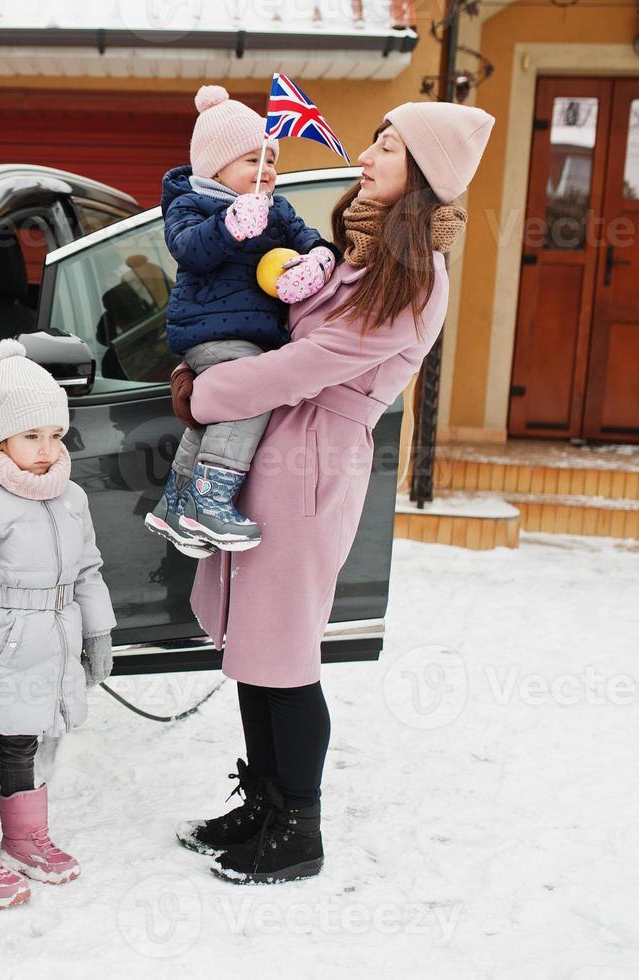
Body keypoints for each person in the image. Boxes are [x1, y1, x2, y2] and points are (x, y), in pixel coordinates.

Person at [171, 102, 494, 884]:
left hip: (309, 459)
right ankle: (262, 800)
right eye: (377, 139)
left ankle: (298, 829)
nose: (372, 153)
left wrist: (206, 392)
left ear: (422, 174)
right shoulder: (356, 252)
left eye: (390, 145)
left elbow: (303, 365)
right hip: (271, 443)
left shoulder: (412, 277)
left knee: (282, 648)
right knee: (249, 640)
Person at [0, 339, 117, 909]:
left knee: (25, 742)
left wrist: (97, 631)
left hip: (48, 643)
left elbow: (87, 570)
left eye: (54, 435)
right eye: (30, 435)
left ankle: (24, 837)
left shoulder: (71, 498)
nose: (45, 448)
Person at [146, 84, 342, 557]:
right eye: (252, 160)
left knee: (211, 416)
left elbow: (312, 239)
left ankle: (176, 502)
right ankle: (211, 500)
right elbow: (189, 249)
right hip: (212, 332)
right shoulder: (191, 204)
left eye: (271, 160)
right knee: (249, 398)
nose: (266, 171)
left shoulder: (277, 209)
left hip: (255, 335)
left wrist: (317, 261)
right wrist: (230, 225)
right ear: (216, 168)